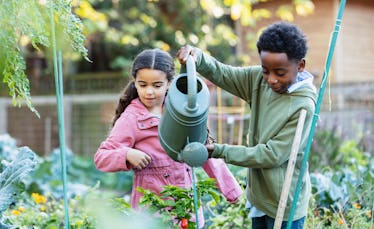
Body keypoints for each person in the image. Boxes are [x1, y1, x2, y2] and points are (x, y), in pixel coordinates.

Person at [177, 21, 317, 229]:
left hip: (284, 203)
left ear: (300, 66)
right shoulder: (258, 80)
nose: (271, 80)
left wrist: (219, 150)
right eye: (265, 70)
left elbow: (271, 155)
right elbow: (223, 74)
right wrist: (198, 57)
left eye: (280, 72)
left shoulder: (303, 107)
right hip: (259, 195)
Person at [94, 48, 243, 228]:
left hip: (187, 210)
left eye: (157, 85)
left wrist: (232, 191)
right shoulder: (131, 119)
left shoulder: (181, 111)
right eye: (142, 85)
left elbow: (205, 151)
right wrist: (126, 154)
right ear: (134, 82)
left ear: (169, 83)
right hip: (151, 216)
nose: (149, 92)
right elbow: (101, 157)